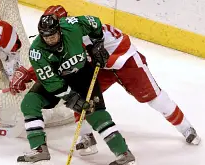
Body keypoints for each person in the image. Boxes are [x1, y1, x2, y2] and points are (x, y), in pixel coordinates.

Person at [41, 5, 201, 157]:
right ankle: (86, 136)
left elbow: (123, 42)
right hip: (100, 66)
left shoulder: (79, 30)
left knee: (154, 98)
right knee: (81, 96)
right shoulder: (63, 38)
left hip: (124, 60)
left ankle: (186, 128)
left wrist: (104, 56)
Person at [10, 13, 140, 165]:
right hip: (57, 81)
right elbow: (52, 83)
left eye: (53, 35)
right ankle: (39, 152)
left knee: (95, 113)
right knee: (30, 103)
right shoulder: (37, 52)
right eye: (45, 36)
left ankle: (124, 154)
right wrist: (72, 98)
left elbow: (95, 22)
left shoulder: (72, 26)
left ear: (59, 30)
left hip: (82, 74)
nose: (49, 39)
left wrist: (97, 43)